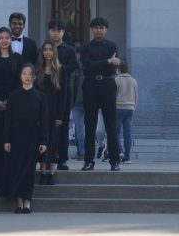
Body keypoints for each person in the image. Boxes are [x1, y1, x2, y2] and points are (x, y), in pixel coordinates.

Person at [1, 64, 48, 214]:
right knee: (16, 168)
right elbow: (8, 119)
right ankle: (19, 201)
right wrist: (6, 139)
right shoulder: (13, 95)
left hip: (33, 136)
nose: (27, 77)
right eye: (24, 74)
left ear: (34, 77)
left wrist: (43, 141)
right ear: (20, 76)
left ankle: (27, 201)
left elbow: (44, 121)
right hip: (15, 137)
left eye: (30, 74)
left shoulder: (40, 96)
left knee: (29, 170)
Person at [79, 17, 122, 171]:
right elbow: (87, 66)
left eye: (102, 27)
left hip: (108, 85)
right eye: (96, 27)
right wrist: (108, 62)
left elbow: (113, 68)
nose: (98, 30)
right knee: (89, 125)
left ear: (106, 30)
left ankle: (114, 160)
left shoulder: (112, 46)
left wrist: (107, 64)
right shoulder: (85, 48)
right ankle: (89, 160)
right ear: (92, 29)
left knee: (111, 124)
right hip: (90, 86)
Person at [0, 27, 23, 182]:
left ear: (10, 40)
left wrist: (9, 100)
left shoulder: (18, 59)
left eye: (7, 37)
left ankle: (11, 173)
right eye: (1, 37)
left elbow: (20, 81)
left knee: (12, 139)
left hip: (13, 104)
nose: (4, 40)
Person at [36, 42, 67, 185]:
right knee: (42, 140)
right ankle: (42, 172)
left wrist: (60, 115)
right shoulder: (38, 71)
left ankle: (51, 173)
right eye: (45, 50)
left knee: (54, 142)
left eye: (50, 50)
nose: (48, 52)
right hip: (41, 112)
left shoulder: (61, 70)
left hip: (55, 112)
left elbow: (64, 95)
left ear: (54, 52)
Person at [47, 19, 77, 171]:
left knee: (63, 127)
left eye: (58, 30)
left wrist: (54, 69)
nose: (55, 33)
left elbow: (71, 68)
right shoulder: (44, 49)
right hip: (46, 93)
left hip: (64, 92)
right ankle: (47, 158)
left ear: (63, 32)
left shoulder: (70, 50)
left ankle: (62, 159)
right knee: (46, 127)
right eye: (52, 30)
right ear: (49, 32)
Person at [115, 61, 138, 164]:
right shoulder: (133, 80)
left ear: (118, 69)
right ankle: (127, 156)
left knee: (115, 131)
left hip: (118, 107)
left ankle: (119, 151)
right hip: (130, 108)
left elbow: (113, 95)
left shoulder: (116, 80)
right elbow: (136, 96)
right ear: (127, 69)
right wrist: (133, 106)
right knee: (127, 133)